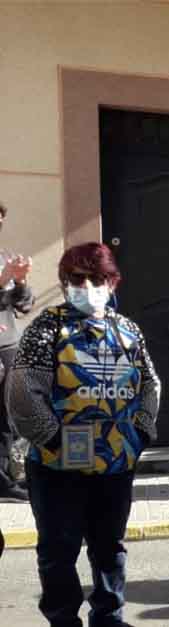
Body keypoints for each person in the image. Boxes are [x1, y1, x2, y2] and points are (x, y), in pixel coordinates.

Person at [7, 242, 161, 626]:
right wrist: (53, 440)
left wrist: (141, 432)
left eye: (97, 279)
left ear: (113, 282)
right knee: (58, 552)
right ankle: (63, 620)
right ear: (64, 283)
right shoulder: (47, 329)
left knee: (110, 549)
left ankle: (109, 618)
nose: (88, 287)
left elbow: (149, 384)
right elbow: (24, 393)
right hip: (56, 467)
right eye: (78, 280)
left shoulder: (127, 330)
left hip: (116, 462)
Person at [0, 200, 34, 502]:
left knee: (8, 415)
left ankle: (6, 480)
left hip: (8, 345)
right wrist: (3, 280)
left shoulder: (4, 257)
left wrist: (21, 281)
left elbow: (23, 305)